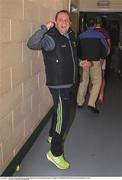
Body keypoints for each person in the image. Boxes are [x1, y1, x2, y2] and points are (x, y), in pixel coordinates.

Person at [27, 10, 78, 170]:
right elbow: (32, 43)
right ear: (55, 22)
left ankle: (51, 135)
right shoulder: (50, 38)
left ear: (69, 23)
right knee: (64, 119)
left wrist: (80, 64)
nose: (64, 22)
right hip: (59, 84)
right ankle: (55, 154)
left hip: (67, 82)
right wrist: (44, 28)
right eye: (60, 19)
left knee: (59, 110)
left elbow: (70, 57)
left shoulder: (69, 36)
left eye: (66, 20)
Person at [77, 18, 110, 114]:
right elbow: (106, 49)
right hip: (95, 62)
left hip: (83, 62)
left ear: (86, 25)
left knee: (83, 82)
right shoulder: (100, 35)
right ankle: (91, 104)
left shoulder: (81, 36)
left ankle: (79, 102)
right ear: (95, 25)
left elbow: (77, 49)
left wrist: (80, 59)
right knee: (97, 82)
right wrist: (102, 57)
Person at [95, 16, 111, 104]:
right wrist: (105, 55)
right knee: (102, 77)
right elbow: (109, 46)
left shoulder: (91, 31)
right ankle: (101, 95)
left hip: (92, 58)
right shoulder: (105, 32)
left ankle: (93, 95)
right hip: (102, 57)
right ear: (101, 23)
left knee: (92, 77)